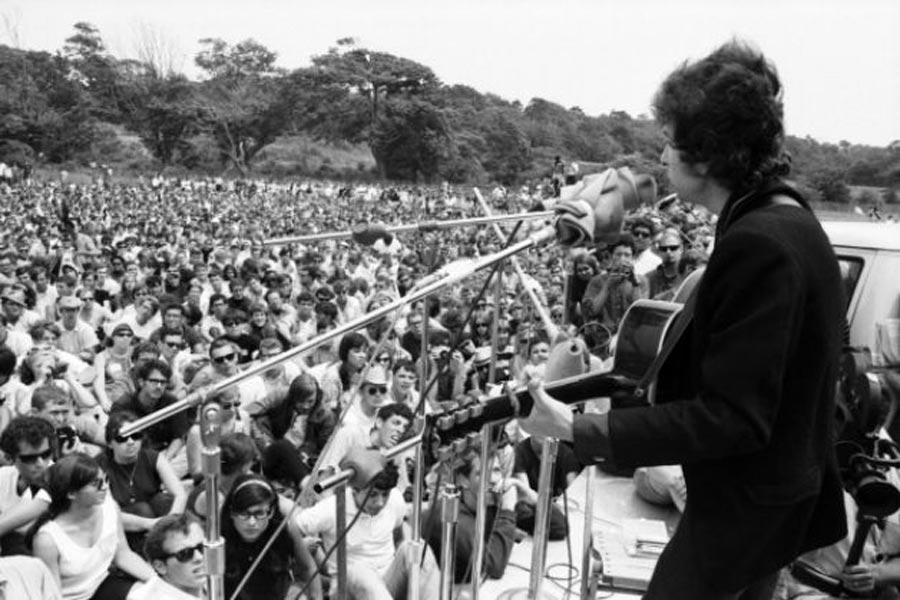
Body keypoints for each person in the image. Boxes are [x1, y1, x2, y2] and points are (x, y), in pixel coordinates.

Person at [520, 40, 846, 599]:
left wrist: (577, 429)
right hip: (767, 503)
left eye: (670, 143)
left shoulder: (760, 245)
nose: (664, 157)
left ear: (708, 155)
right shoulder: (783, 218)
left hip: (744, 511)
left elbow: (733, 418)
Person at [30, 453, 157, 600]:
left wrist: (159, 583)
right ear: (71, 493)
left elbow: (123, 555)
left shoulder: (109, 507)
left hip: (104, 584)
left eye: (105, 480)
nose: (105, 487)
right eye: (96, 484)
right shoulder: (47, 540)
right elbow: (52, 595)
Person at [97, 411, 187, 552]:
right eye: (122, 438)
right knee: (142, 509)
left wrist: (170, 519)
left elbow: (180, 494)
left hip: (156, 520)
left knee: (164, 501)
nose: (131, 442)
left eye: (136, 436)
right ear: (110, 443)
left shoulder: (152, 457)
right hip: (122, 526)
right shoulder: (99, 466)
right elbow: (109, 514)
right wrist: (151, 524)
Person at [222, 474, 321, 600]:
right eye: (244, 514)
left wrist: (316, 597)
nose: (252, 522)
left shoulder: (285, 529)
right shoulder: (219, 538)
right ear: (232, 512)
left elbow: (309, 568)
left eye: (259, 513)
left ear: (271, 512)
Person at [0, 416, 54, 555]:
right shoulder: (4, 475)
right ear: (10, 458)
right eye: (30, 458)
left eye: (46, 454)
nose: (41, 463)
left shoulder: (56, 477)